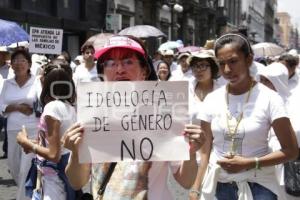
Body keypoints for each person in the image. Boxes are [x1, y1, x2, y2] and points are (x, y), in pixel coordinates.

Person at [62, 35, 205, 200]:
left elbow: (186, 181)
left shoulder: (165, 114)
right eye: (110, 63)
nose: (119, 69)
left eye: (128, 61)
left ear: (144, 71)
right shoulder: (92, 116)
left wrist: (192, 153)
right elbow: (77, 182)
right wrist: (75, 152)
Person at [197, 33, 298, 200]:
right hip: (218, 187)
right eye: (222, 64)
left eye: (233, 61)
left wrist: (251, 163)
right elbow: (204, 153)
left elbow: (291, 151)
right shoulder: (212, 99)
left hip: (259, 188)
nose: (228, 70)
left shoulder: (270, 98)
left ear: (249, 59)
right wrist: (195, 188)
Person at [17, 62, 77, 200]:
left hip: (54, 178)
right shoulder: (69, 107)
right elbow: (55, 144)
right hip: (58, 175)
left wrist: (26, 142)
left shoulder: (52, 107)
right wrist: (31, 145)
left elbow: (54, 154)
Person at [0, 49, 40, 200]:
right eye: (15, 61)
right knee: (13, 165)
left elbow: (41, 102)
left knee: (25, 168)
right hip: (13, 129)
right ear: (12, 65)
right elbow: (1, 106)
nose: (19, 64)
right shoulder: (7, 84)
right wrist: (17, 107)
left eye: (23, 60)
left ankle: (22, 197)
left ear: (29, 64)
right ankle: (24, 190)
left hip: (32, 128)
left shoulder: (36, 80)